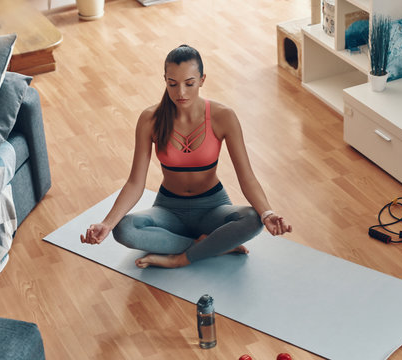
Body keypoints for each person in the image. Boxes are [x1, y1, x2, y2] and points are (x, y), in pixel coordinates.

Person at [80, 45, 292, 268]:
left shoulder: (223, 116)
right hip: (168, 209)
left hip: (214, 207)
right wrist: (107, 223)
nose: (180, 92)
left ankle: (180, 258)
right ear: (165, 80)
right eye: (172, 84)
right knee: (124, 230)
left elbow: (247, 177)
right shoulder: (149, 119)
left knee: (252, 219)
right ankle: (212, 246)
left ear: (202, 79)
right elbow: (135, 182)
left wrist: (267, 213)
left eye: (189, 83)